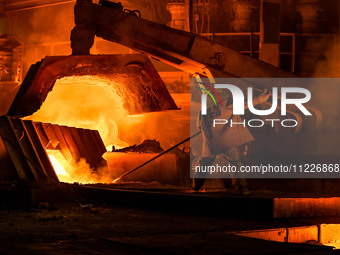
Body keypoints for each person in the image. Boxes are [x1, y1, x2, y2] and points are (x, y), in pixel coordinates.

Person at [192, 87, 270, 194]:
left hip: (210, 143)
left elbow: (199, 127)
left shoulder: (203, 110)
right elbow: (246, 103)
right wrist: (262, 98)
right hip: (224, 141)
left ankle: (196, 186)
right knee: (235, 163)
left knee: (204, 163)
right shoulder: (226, 104)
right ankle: (242, 189)